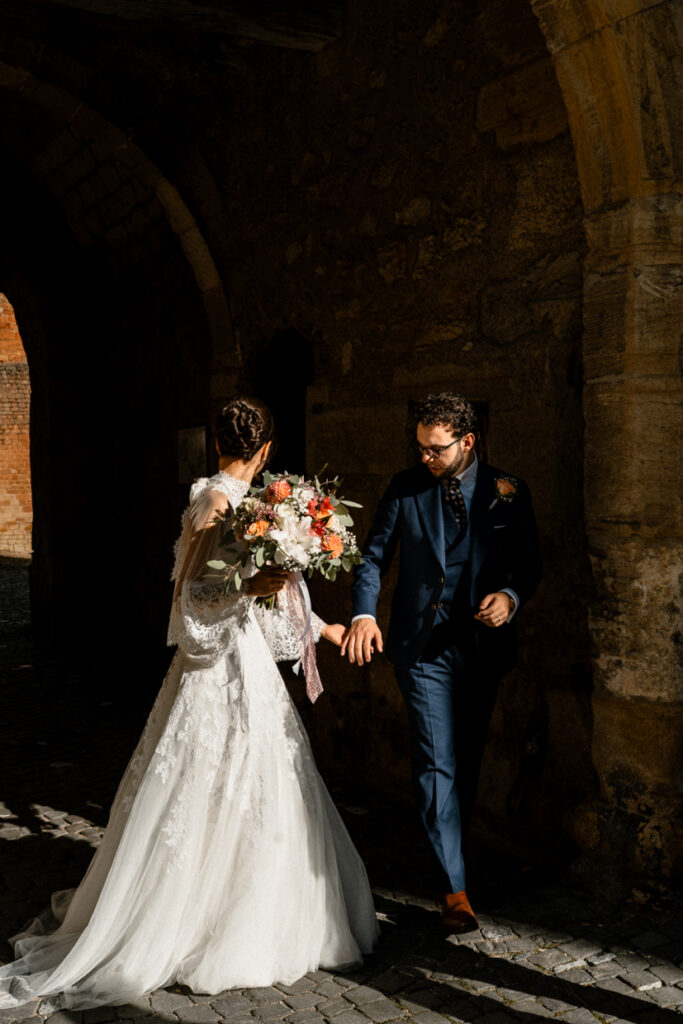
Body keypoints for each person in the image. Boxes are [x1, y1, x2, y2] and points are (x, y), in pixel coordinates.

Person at [0, 396, 378, 1012]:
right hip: (217, 668)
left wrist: (319, 624)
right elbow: (189, 598)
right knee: (210, 782)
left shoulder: (251, 502)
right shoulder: (215, 502)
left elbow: (270, 591)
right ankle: (203, 921)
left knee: (264, 780)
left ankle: (263, 909)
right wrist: (249, 585)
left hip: (247, 659)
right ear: (265, 449)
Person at [342, 392, 541, 934]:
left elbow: (529, 563)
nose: (426, 458)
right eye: (422, 448)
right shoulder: (405, 489)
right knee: (436, 759)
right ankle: (454, 888)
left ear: (467, 441)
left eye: (436, 449)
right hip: (422, 649)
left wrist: (510, 597)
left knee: (466, 760)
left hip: (481, 649)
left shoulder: (509, 491)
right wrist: (364, 615)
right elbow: (373, 557)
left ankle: (452, 851)